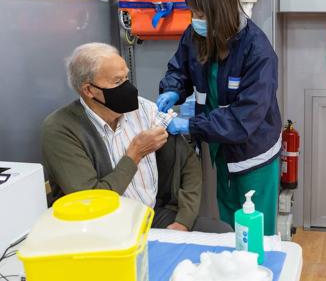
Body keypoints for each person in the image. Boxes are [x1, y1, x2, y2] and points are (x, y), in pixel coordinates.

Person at [157, 0, 282, 235]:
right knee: (230, 220)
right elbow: (179, 70)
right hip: (220, 147)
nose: (195, 21)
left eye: (201, 15)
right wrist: (172, 90)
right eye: (192, 13)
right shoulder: (195, 35)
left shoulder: (257, 51)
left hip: (253, 153)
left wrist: (190, 126)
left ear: (220, 13)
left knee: (256, 227)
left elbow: (244, 117)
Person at [42, 43, 206, 231]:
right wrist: (135, 154)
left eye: (126, 77)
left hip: (152, 215)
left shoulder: (144, 109)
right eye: (117, 82)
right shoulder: (61, 129)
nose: (128, 88)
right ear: (89, 90)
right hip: (102, 228)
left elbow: (189, 163)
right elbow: (91, 202)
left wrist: (183, 221)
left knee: (221, 232)